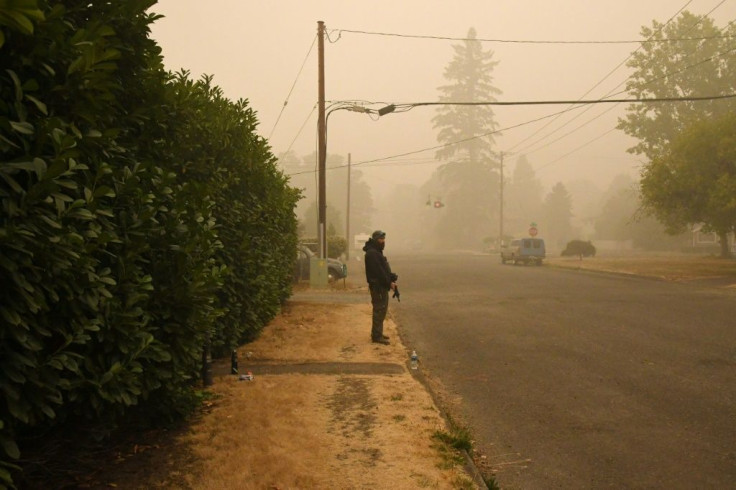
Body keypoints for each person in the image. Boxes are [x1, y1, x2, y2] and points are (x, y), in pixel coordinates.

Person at [363, 230, 397, 345]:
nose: (383, 241)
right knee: (379, 310)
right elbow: (379, 273)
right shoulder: (372, 253)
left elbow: (384, 269)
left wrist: (391, 278)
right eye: (381, 239)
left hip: (381, 286)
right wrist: (389, 283)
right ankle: (376, 336)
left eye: (384, 239)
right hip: (378, 287)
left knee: (382, 310)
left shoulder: (377, 252)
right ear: (375, 239)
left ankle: (378, 333)